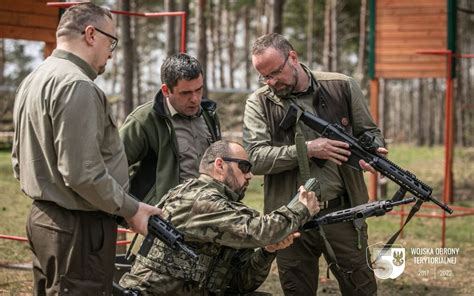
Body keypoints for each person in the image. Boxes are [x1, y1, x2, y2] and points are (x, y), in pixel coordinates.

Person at [11, 3, 161, 294]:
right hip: (77, 230)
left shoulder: (35, 78)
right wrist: (132, 208)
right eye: (111, 41)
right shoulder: (77, 85)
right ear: (91, 34)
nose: (112, 52)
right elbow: (83, 174)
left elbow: (19, 161)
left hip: (44, 220)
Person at [243, 33, 388, 296]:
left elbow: (370, 131)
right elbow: (255, 158)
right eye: (264, 77)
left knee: (362, 288)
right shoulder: (259, 102)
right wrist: (308, 150)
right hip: (289, 218)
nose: (271, 82)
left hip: (343, 212)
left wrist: (373, 147)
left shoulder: (342, 86)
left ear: (293, 58)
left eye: (275, 73)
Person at [119, 140, 320, 295]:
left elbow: (242, 282)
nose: (250, 176)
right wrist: (300, 208)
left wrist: (268, 250)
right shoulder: (200, 199)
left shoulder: (224, 206)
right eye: (245, 167)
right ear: (220, 165)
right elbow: (259, 230)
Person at [120, 53, 221, 206]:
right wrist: (134, 209)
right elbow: (111, 166)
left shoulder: (209, 114)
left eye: (199, 90)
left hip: (211, 212)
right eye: (186, 93)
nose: (195, 99)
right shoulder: (143, 120)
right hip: (166, 219)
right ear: (166, 90)